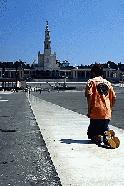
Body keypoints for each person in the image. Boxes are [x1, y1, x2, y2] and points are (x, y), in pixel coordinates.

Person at [85, 64, 117, 146]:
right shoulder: (108, 83)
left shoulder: (91, 82)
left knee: (91, 133)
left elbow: (89, 97)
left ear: (93, 73)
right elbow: (113, 98)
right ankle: (106, 135)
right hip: (106, 112)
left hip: (96, 111)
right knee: (104, 127)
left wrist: (89, 111)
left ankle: (100, 138)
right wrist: (110, 108)